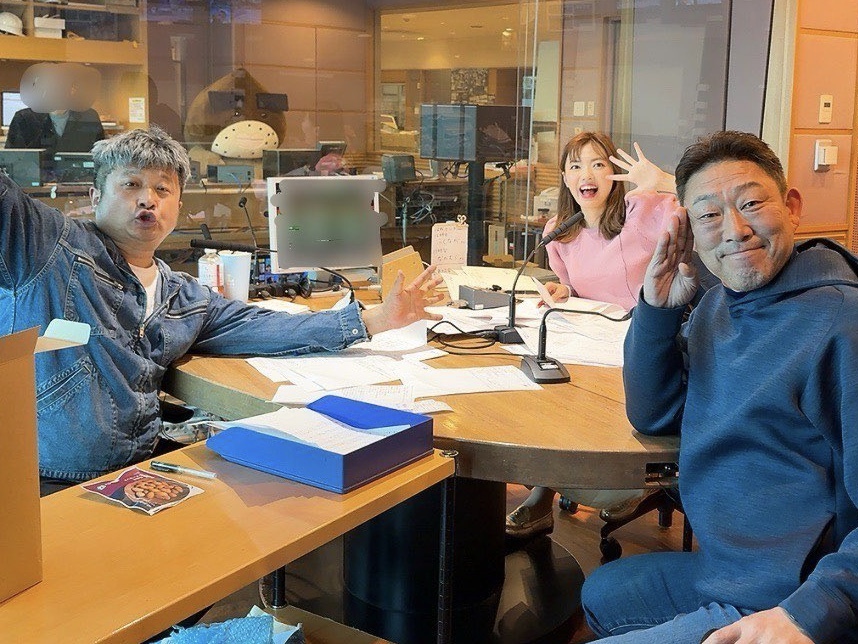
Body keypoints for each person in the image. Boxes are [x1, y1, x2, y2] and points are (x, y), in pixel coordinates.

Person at [0, 126, 443, 494]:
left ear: (178, 206)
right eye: (130, 184)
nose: (147, 199)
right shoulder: (48, 247)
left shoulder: (182, 295)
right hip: (45, 478)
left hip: (134, 471)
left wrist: (377, 319)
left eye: (162, 189)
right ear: (95, 195)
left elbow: (263, 326)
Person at [581, 131, 858, 643]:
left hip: (792, 593)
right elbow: (653, 415)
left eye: (752, 204)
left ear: (792, 207)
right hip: (733, 567)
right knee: (601, 593)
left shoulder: (843, 321)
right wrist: (656, 309)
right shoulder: (716, 305)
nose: (735, 230)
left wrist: (811, 614)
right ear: (689, 228)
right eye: (709, 215)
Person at [506, 131, 679, 539]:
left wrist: (663, 181)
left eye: (598, 164)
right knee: (548, 392)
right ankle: (543, 494)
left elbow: (704, 206)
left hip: (642, 343)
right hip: (591, 343)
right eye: (576, 166)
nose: (587, 174)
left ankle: (636, 481)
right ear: (566, 179)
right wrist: (562, 291)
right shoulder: (560, 231)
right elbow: (574, 286)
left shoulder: (642, 209)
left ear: (615, 173)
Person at [5, 107, 105, 157]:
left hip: (80, 186)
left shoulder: (89, 117)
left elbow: (102, 157)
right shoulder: (24, 118)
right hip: (33, 186)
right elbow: (11, 159)